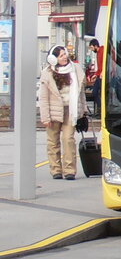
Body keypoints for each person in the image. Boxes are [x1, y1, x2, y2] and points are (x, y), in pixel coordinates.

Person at [37, 45, 87, 181]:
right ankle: (56, 170)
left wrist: (83, 111)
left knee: (68, 139)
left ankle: (70, 170)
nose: (65, 57)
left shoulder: (75, 69)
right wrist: (45, 117)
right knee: (53, 141)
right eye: (61, 55)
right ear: (53, 59)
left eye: (65, 54)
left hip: (70, 110)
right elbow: (43, 97)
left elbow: (80, 94)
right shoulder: (47, 73)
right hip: (53, 111)